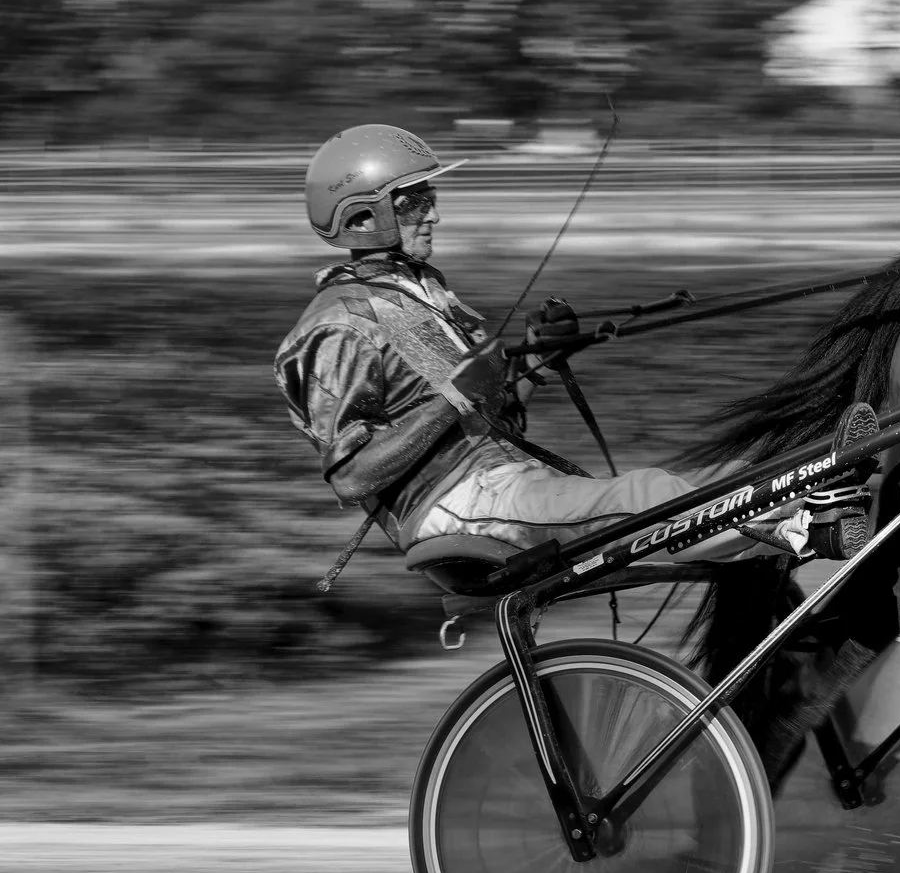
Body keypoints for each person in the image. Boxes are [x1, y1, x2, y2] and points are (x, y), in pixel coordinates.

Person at [274, 123, 804, 565]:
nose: (433, 214)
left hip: (502, 480)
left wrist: (540, 356)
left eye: (430, 199)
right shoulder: (337, 325)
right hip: (452, 504)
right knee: (647, 495)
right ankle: (802, 525)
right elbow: (350, 477)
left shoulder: (425, 293)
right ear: (362, 217)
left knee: (724, 479)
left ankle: (799, 510)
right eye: (414, 203)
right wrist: (455, 398)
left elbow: (497, 419)